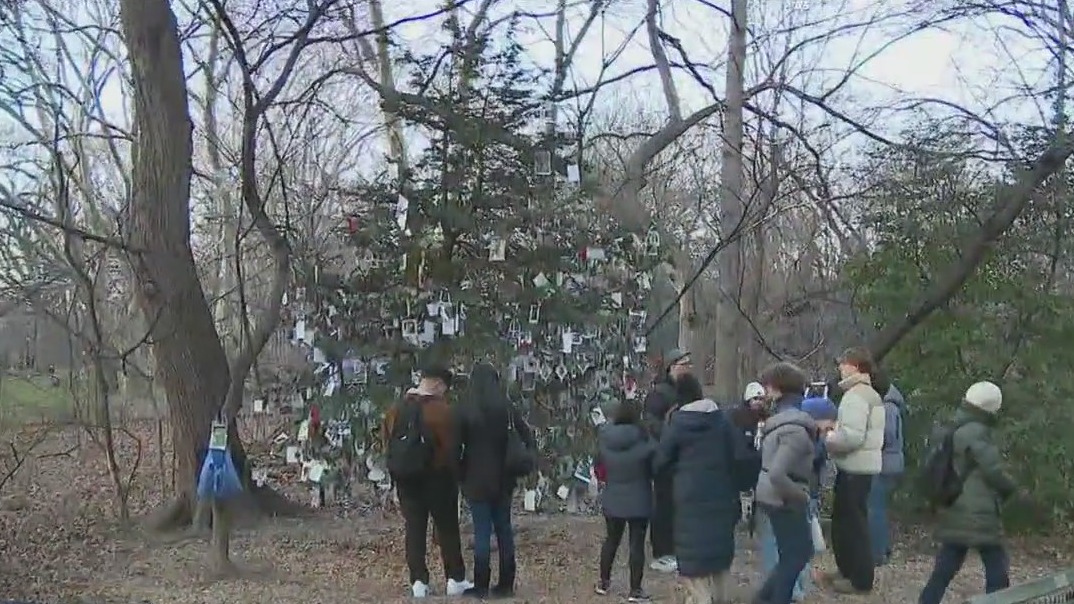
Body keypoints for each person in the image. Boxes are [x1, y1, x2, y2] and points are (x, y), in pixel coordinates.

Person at [918, 381, 1023, 604]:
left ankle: (927, 601)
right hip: (979, 509)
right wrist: (1012, 488)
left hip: (955, 503)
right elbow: (993, 470)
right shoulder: (977, 431)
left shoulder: (953, 425)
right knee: (996, 564)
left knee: (946, 565)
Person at [654, 374, 747, 604]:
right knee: (719, 560)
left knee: (691, 566)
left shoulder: (677, 424)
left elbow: (660, 461)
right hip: (721, 496)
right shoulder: (722, 420)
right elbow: (739, 455)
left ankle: (702, 600)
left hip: (689, 499)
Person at [382, 365, 471, 598]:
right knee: (447, 528)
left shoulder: (396, 409)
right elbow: (452, 448)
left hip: (406, 478)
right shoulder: (444, 412)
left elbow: (387, 441)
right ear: (439, 385)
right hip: (439, 478)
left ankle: (419, 582)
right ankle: (455, 578)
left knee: (414, 529)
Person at [454, 363, 535, 598]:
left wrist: (461, 474)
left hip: (476, 479)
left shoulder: (465, 409)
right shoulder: (507, 408)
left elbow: (455, 448)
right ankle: (506, 583)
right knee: (504, 531)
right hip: (504, 478)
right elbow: (527, 437)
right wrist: (523, 458)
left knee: (481, 532)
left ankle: (481, 585)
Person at [823, 347, 885, 595]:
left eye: (844, 363)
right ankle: (847, 570)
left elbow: (852, 437)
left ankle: (859, 579)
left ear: (856, 366)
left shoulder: (856, 396)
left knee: (853, 526)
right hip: (860, 467)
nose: (840, 367)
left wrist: (829, 436)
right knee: (845, 522)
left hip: (854, 468)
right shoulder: (868, 394)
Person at [752, 362, 815, 604]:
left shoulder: (779, 422)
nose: (766, 393)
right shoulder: (795, 430)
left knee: (793, 555)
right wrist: (801, 496)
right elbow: (778, 473)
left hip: (772, 494)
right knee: (796, 556)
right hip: (784, 497)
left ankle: (763, 599)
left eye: (768, 387)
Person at [594, 399, 655, 602]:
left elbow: (598, 466)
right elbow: (655, 465)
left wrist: (607, 479)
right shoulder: (645, 438)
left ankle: (604, 582)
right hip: (639, 497)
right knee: (636, 545)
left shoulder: (605, 437)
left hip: (613, 495)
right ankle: (635, 590)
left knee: (611, 540)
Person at [643, 348, 692, 573]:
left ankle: (679, 546)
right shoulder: (659, 393)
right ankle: (662, 551)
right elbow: (651, 422)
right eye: (684, 364)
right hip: (664, 456)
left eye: (689, 364)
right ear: (672, 367)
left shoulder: (689, 391)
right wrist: (671, 437)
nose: (688, 368)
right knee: (664, 505)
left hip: (686, 456)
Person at [868, 369, 907, 567]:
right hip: (890, 462)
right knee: (878, 508)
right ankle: (882, 548)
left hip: (883, 463)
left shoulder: (887, 407)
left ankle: (877, 553)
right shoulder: (891, 405)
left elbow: (887, 435)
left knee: (874, 509)